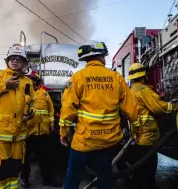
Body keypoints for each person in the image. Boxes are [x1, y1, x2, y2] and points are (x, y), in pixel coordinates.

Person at [59, 40, 140, 189]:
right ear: (101, 57)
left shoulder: (78, 77)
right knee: (105, 176)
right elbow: (131, 109)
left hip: (84, 141)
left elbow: (68, 109)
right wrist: (137, 129)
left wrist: (64, 132)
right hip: (108, 140)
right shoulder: (116, 78)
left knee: (73, 175)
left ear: (86, 59)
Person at [0, 44, 35, 189]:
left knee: (14, 175)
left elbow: (32, 102)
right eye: (12, 58)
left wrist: (31, 112)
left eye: (19, 59)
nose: (15, 61)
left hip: (18, 138)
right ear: (7, 61)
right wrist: (4, 86)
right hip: (0, 137)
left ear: (24, 63)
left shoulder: (27, 82)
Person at [119, 63, 178, 189]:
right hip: (147, 136)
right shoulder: (143, 90)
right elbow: (158, 108)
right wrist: (176, 105)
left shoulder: (131, 91)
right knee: (148, 170)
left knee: (140, 169)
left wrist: (157, 98)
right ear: (144, 76)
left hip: (137, 136)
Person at [20, 71, 62, 188]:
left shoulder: (44, 94)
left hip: (43, 133)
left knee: (46, 159)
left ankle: (48, 180)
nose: (31, 82)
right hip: (28, 133)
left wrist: (51, 123)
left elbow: (51, 109)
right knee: (25, 159)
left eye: (33, 80)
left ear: (37, 82)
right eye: (30, 80)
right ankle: (24, 179)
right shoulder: (23, 93)